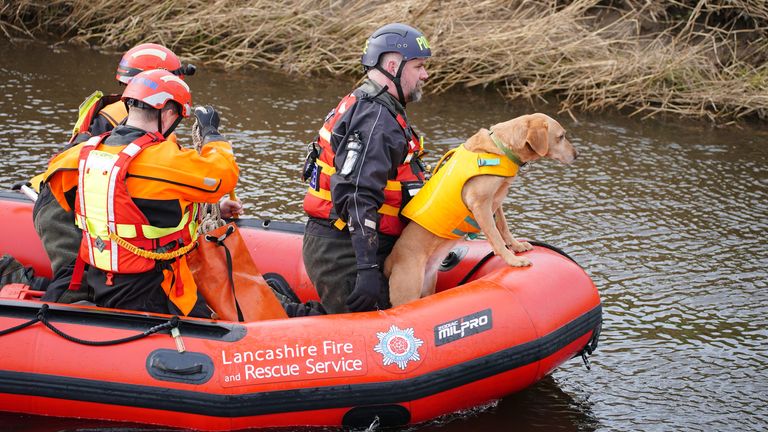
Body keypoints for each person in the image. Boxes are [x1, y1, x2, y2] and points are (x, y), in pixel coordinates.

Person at [32, 43, 241, 303]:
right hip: (140, 275)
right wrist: (212, 135)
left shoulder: (94, 147)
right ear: (167, 112)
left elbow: (68, 174)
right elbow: (219, 174)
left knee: (83, 275)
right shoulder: (155, 156)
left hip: (105, 254)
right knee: (70, 280)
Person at [301, 23, 431, 314]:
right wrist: (367, 268)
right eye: (419, 66)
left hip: (357, 244)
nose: (425, 74)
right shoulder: (375, 117)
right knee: (368, 334)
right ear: (393, 65)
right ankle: (277, 318)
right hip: (345, 250)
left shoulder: (375, 107)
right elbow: (357, 194)